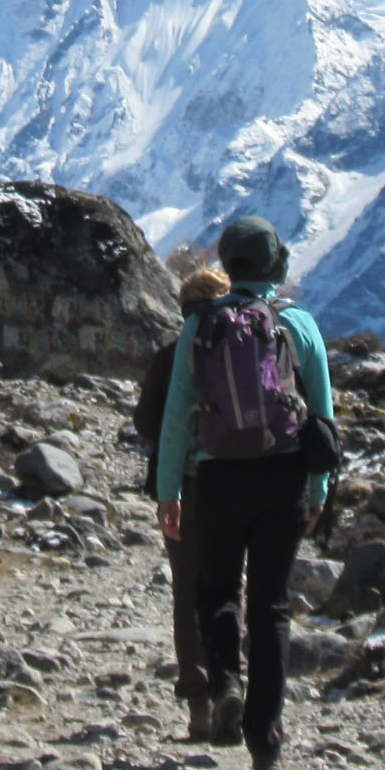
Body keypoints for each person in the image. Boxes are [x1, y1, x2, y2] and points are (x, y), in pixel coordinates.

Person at [156, 216, 332, 770]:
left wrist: (168, 491)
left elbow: (176, 419)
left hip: (218, 476)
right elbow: (323, 417)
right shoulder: (298, 324)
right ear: (275, 263)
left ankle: (226, 680)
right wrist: (319, 486)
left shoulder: (201, 324)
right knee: (272, 606)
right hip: (282, 481)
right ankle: (266, 736)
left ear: (228, 264)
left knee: (218, 592)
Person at [132, 265, 232, 740]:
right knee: (230, 590)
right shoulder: (247, 356)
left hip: (185, 491)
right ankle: (231, 686)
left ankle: (198, 701)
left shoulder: (170, 357)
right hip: (238, 484)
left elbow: (147, 423)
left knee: (188, 593)